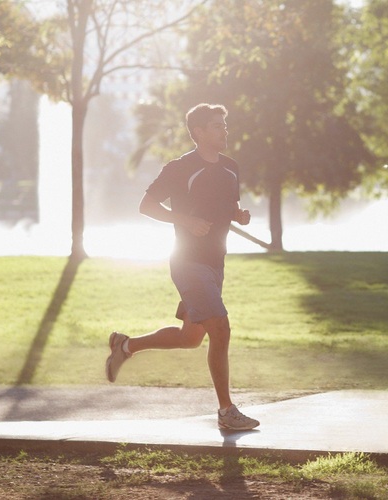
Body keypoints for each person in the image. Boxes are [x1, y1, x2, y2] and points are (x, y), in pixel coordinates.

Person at [105, 103, 259, 431]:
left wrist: (238, 215)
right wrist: (184, 219)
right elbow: (147, 205)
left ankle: (126, 346)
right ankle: (226, 411)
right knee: (221, 329)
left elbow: (226, 205)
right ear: (199, 132)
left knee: (190, 338)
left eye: (224, 125)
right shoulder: (180, 168)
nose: (224, 131)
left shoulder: (231, 167)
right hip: (189, 263)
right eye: (217, 126)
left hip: (215, 264)